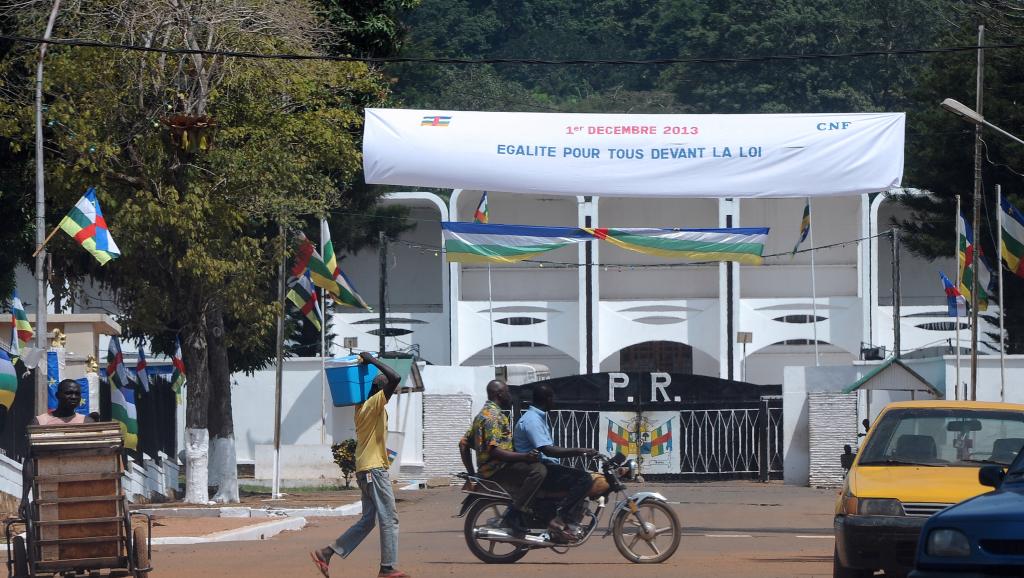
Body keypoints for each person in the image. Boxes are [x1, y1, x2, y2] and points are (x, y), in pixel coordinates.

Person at [311, 352, 407, 578]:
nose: (390, 391)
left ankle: (327, 553)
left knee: (367, 521)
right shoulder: (374, 404)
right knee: (389, 518)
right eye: (384, 387)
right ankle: (387, 568)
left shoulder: (363, 407)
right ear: (377, 390)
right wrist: (371, 360)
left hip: (365, 469)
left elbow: (390, 381)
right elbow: (394, 378)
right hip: (374, 470)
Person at [459, 380, 544, 536]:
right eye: (507, 392)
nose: (510, 396)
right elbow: (495, 452)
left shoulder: (482, 415)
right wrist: (525, 456)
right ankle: (516, 513)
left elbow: (463, 443)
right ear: (499, 394)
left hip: (490, 470)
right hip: (499, 470)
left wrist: (472, 473)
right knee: (539, 471)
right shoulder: (493, 417)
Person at [513, 384, 596, 541]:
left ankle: (567, 516)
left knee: (578, 476)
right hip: (540, 468)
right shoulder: (532, 420)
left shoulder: (538, 417)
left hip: (546, 466)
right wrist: (579, 451)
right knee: (584, 478)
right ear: (547, 399)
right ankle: (561, 519)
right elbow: (547, 450)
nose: (554, 402)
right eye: (553, 399)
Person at [22, 379, 94, 517]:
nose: (73, 397)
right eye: (68, 393)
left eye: (77, 394)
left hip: (81, 487)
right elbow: (29, 461)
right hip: (48, 487)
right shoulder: (39, 423)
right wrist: (25, 497)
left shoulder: (87, 422)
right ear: (57, 395)